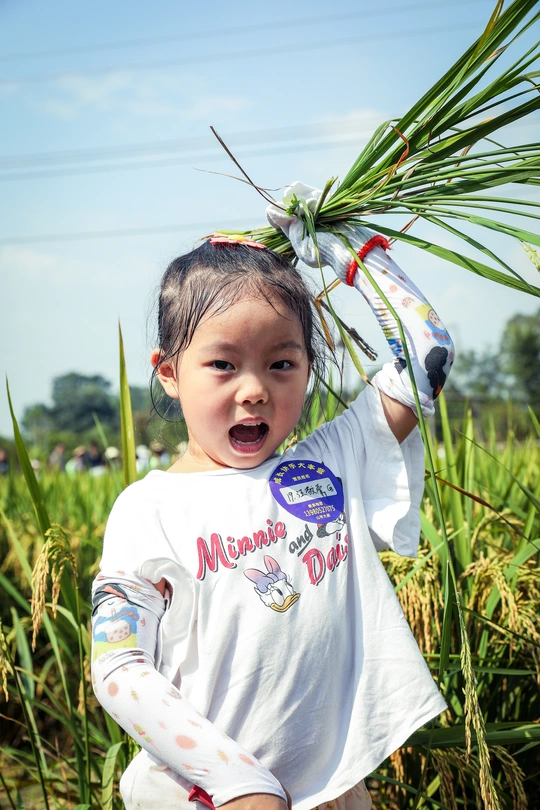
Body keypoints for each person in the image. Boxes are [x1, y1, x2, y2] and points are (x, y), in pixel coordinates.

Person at [91, 181, 455, 810]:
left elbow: (428, 355)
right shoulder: (148, 510)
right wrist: (238, 782)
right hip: (205, 792)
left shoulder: (328, 466)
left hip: (334, 790)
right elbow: (119, 668)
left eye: (282, 364)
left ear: (310, 368)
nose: (255, 389)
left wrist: (343, 249)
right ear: (169, 373)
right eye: (223, 365)